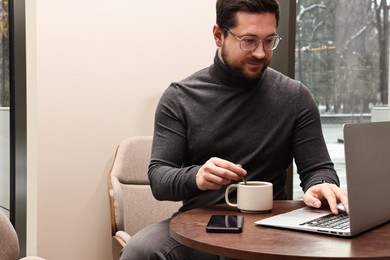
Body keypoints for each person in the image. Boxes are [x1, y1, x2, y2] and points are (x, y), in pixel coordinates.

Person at [120, 0, 349, 259]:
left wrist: (321, 185)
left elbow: (318, 169)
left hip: (271, 226)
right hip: (199, 225)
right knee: (140, 250)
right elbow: (159, 179)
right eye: (249, 41)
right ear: (219, 35)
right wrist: (196, 176)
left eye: (269, 40)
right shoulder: (179, 97)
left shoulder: (295, 97)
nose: (261, 53)